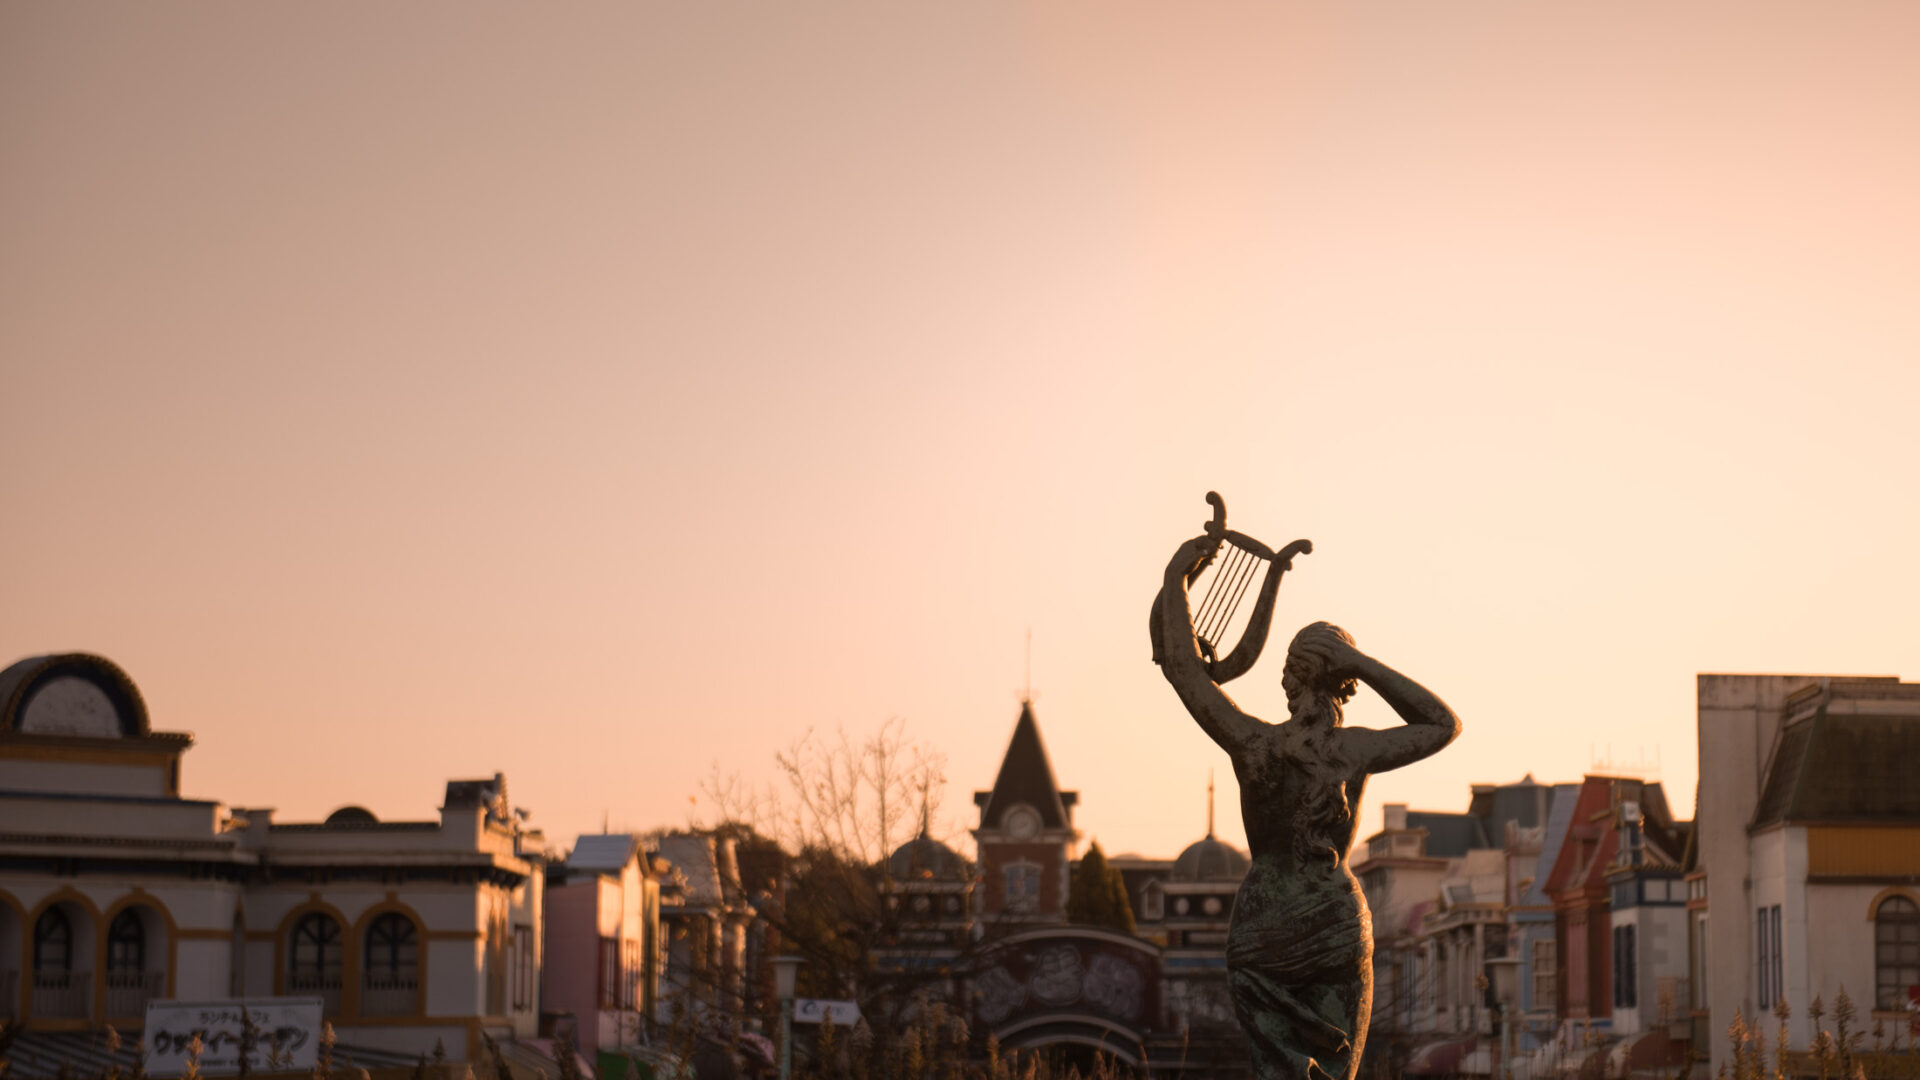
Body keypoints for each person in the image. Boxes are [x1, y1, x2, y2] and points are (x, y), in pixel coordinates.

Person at [1152, 532, 1461, 1080]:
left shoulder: (1252, 744)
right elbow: (1441, 724)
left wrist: (1180, 574)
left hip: (1261, 928)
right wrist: (1362, 661)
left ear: (1289, 680)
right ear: (1346, 684)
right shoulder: (1356, 749)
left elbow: (1181, 666)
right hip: (1334, 924)